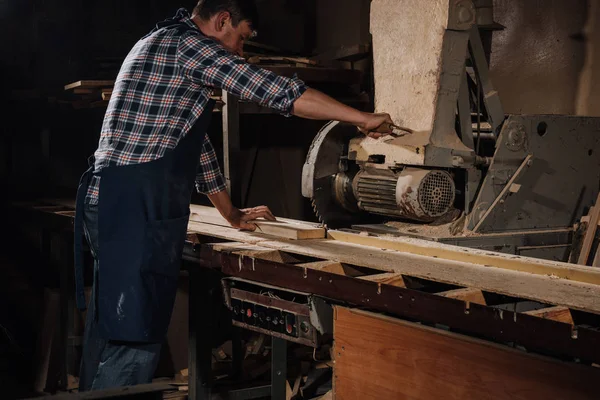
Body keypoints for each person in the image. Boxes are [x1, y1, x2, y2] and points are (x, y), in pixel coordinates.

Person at [74, 0, 394, 391]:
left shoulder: (160, 40)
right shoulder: (191, 47)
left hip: (112, 198)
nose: (240, 51)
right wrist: (362, 119)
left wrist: (231, 213)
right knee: (134, 335)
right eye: (241, 39)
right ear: (222, 20)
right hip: (134, 206)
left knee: (111, 324)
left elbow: (195, 146)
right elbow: (277, 92)